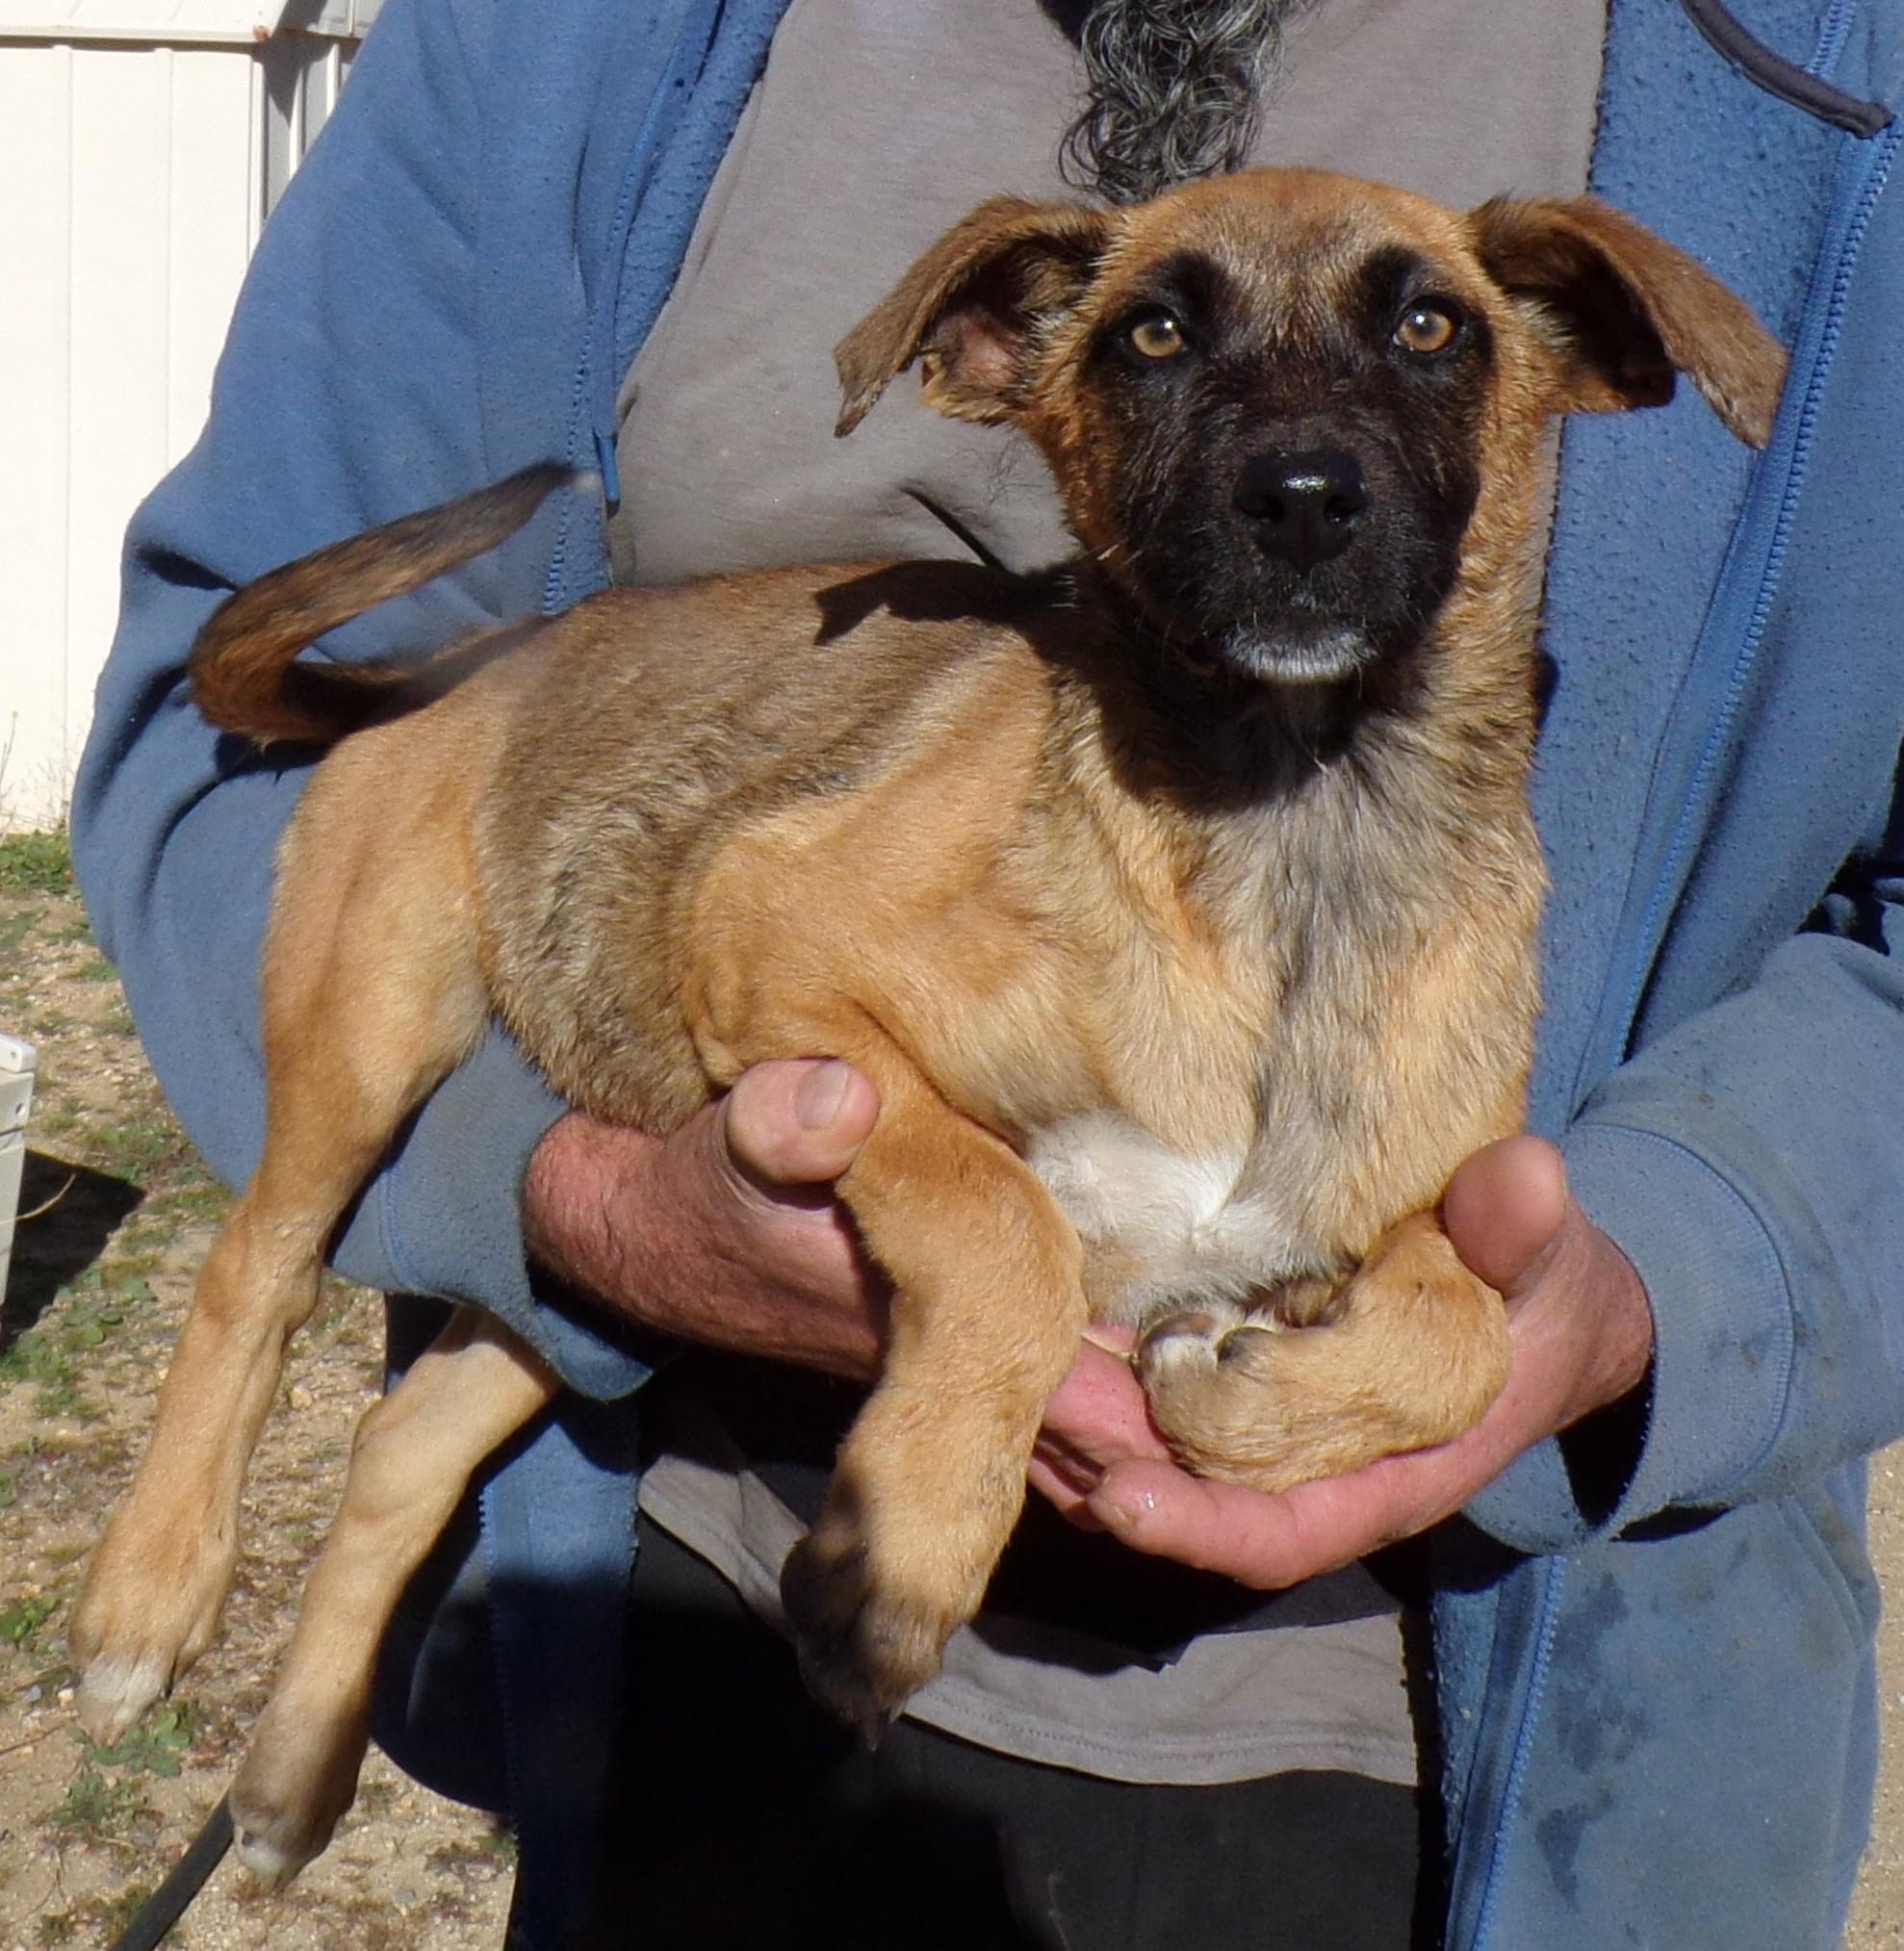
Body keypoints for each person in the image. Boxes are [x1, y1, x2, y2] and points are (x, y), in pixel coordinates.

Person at [69, 1, 1904, 1945]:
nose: (1300, 461)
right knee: (365, 1278)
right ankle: (285, 1585)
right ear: (1000, 366)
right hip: (718, 1626)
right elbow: (246, 764)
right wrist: (587, 1200)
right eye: (1164, 342)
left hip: (1525, 1766)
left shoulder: (1838, 62)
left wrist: (1657, 1285)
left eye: (1419, 333)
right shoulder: (562, 41)